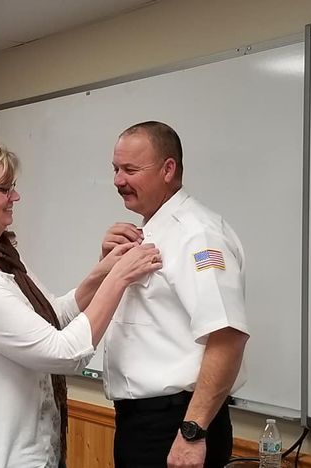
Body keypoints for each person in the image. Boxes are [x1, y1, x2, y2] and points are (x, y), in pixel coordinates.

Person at [0, 140, 162, 468]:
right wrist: (119, 280)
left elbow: (50, 315)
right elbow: (62, 352)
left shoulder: (2, 260)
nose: (15, 197)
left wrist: (103, 272)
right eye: (5, 188)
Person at [100, 121, 250, 468]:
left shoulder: (198, 235)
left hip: (177, 426)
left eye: (130, 170)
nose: (118, 181)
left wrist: (192, 433)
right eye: (115, 169)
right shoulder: (149, 231)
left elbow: (227, 336)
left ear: (169, 169)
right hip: (140, 423)